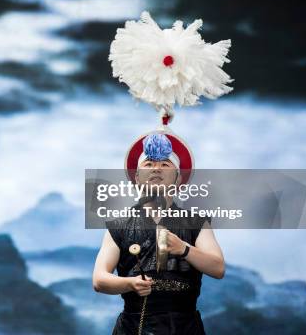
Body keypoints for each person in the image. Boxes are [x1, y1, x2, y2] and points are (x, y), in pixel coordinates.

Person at [92, 133, 225, 335]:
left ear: (178, 177)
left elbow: (218, 268)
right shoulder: (118, 226)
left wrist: (184, 249)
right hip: (133, 327)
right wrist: (130, 283)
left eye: (165, 164)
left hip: (184, 327)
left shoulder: (197, 223)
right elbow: (99, 280)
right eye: (148, 164)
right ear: (137, 177)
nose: (156, 168)